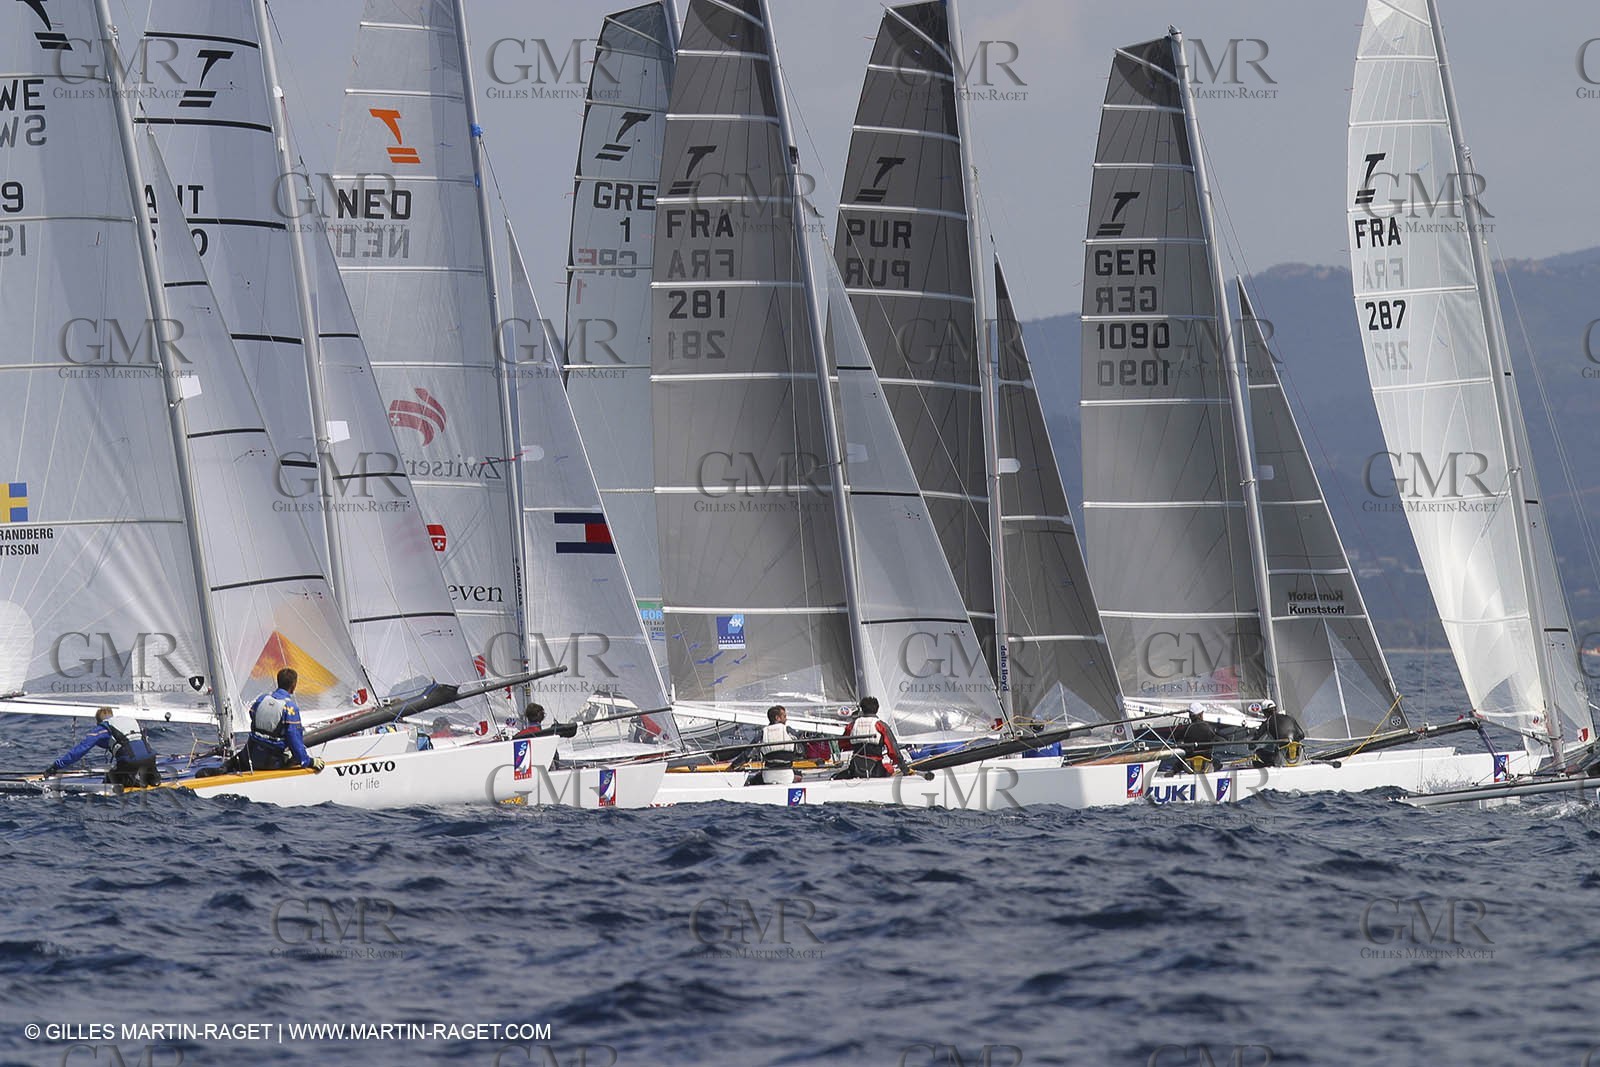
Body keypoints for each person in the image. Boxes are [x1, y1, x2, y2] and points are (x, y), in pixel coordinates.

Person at [44, 706, 160, 787]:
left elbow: (79, 751)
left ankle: (134, 782)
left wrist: (55, 766)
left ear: (98, 722)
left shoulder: (103, 728)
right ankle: (154, 780)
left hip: (130, 763)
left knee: (110, 778)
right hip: (151, 760)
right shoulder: (130, 720)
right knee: (152, 778)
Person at [241, 668, 324, 773]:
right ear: (293, 686)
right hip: (272, 762)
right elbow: (294, 739)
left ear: (278, 682)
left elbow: (252, 714)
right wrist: (309, 762)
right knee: (293, 757)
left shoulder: (262, 699)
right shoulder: (290, 708)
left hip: (252, 755)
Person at [834, 697, 910, 779]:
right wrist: (904, 769)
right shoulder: (881, 726)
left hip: (855, 768)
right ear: (877, 709)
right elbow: (893, 751)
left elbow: (842, 744)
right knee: (890, 769)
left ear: (862, 709)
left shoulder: (852, 725)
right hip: (876, 769)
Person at [750, 705, 800, 786]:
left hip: (768, 776)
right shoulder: (788, 730)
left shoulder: (763, 732)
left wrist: (734, 765)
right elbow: (800, 750)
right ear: (777, 718)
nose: (786, 719)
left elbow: (749, 752)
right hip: (786, 776)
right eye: (784, 716)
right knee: (799, 774)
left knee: (753, 780)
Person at [1252, 699, 1306, 767]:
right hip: (1298, 755)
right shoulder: (1290, 718)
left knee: (1257, 753)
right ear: (1275, 709)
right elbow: (1302, 735)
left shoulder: (1267, 723)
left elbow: (1254, 741)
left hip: (1283, 758)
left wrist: (1251, 745)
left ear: (1265, 712)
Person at [1174, 702, 1223, 771]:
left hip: (1189, 767)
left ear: (1190, 716)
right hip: (1206, 766)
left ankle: (1173, 771)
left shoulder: (1186, 729)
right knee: (1218, 762)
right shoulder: (1209, 728)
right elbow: (1223, 740)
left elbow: (1177, 741)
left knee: (1180, 761)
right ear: (1200, 715)